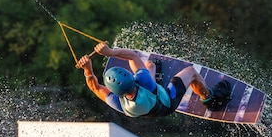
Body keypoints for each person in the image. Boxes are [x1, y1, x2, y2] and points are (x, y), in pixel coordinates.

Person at [77, 42, 232, 118]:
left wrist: (87, 70)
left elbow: (95, 87)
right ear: (133, 78)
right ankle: (210, 99)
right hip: (167, 101)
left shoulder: (116, 102)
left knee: (150, 66)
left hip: (151, 110)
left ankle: (155, 75)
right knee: (191, 72)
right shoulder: (142, 80)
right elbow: (132, 56)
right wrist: (110, 52)